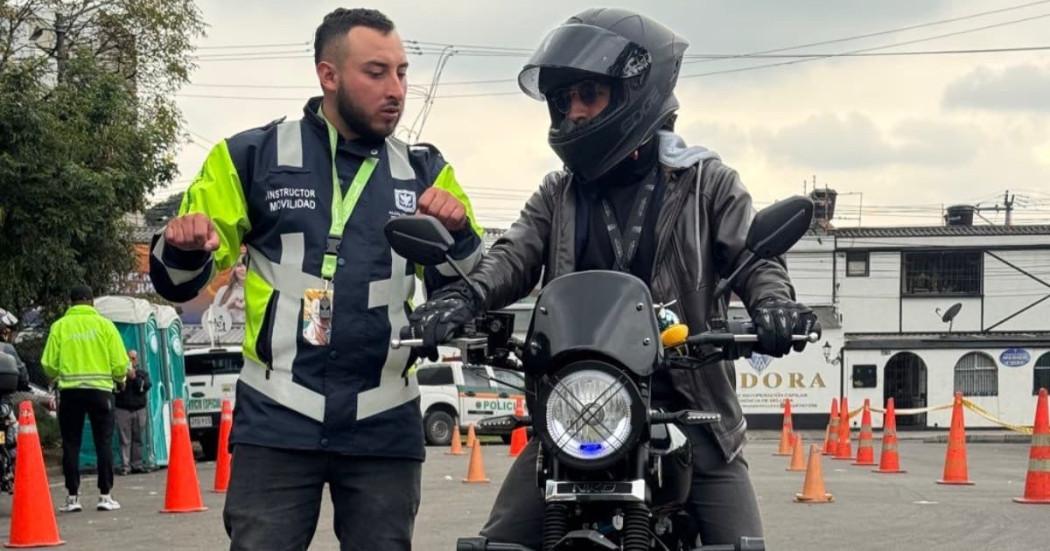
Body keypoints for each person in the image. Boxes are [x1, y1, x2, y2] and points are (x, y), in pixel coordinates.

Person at [406, 8, 820, 548]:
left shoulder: (706, 183)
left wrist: (774, 305)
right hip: (578, 412)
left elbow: (755, 256)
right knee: (499, 541)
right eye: (563, 101)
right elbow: (511, 256)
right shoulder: (557, 195)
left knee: (739, 543)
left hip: (689, 408)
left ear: (636, 91)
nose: (573, 113)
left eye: (588, 95)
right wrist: (463, 295)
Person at [148, 8, 482, 550]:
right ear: (328, 75)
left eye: (401, 73)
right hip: (278, 415)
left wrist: (461, 234)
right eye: (376, 73)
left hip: (384, 417)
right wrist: (183, 244)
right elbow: (177, 282)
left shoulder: (426, 170)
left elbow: (469, 288)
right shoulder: (251, 157)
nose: (395, 89)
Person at [41, 284, 127, 513]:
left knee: (71, 443)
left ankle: (72, 497)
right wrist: (119, 378)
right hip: (101, 392)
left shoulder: (59, 327)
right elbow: (120, 363)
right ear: (91, 302)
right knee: (104, 442)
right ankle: (105, 495)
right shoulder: (105, 326)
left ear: (71, 303)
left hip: (70, 392)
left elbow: (48, 364)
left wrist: (58, 375)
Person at [114, 349, 151, 475]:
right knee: (125, 439)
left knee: (138, 438)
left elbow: (145, 387)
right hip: (123, 409)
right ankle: (126, 466)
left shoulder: (142, 374)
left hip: (139, 409)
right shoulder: (119, 374)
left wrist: (135, 378)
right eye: (129, 358)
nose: (131, 361)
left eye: (134, 358)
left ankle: (137, 464)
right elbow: (115, 389)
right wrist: (124, 378)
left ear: (137, 360)